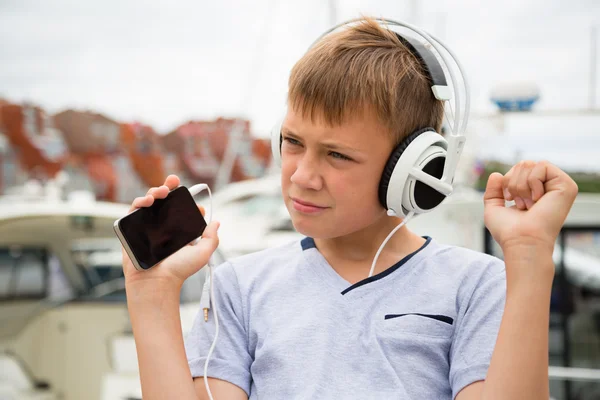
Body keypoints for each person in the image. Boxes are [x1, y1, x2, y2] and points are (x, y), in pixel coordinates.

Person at [121, 17, 578, 400]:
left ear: (413, 171)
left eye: (337, 155)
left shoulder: (476, 286)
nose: (302, 175)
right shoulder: (239, 288)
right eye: (293, 142)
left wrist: (530, 255)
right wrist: (151, 295)